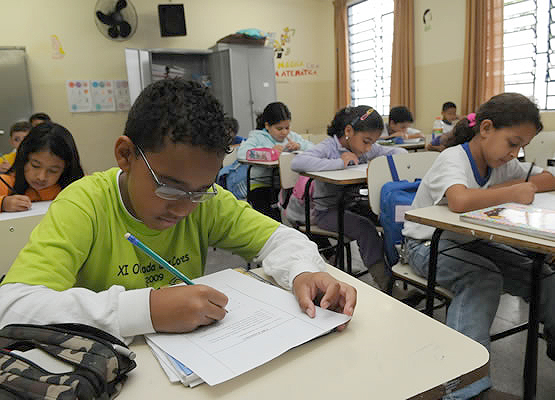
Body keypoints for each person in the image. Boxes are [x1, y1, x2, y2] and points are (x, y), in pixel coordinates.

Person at [0, 79, 356, 343]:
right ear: (125, 155)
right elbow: (13, 305)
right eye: (169, 186)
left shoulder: (205, 201)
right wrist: (147, 310)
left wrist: (302, 272)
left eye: (200, 191)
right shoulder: (84, 205)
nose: (184, 208)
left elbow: (280, 238)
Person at [402, 93, 555, 399]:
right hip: (425, 244)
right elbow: (460, 200)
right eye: (512, 143)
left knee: (545, 274)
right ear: (485, 128)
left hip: (472, 242)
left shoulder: (504, 163)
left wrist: (511, 187)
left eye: (522, 147)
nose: (516, 154)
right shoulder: (453, 158)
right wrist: (511, 191)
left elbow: (549, 178)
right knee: (482, 278)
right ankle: (463, 388)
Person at [291, 106, 408, 290]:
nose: (369, 148)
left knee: (388, 217)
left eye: (373, 143)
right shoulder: (329, 146)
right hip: (326, 211)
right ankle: (386, 284)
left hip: (352, 205)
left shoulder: (367, 149)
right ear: (348, 131)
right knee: (366, 229)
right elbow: (297, 162)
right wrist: (339, 163)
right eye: (366, 141)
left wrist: (377, 162)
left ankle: (396, 272)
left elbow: (400, 154)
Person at [237, 102, 313, 219]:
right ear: (267, 126)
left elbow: (314, 149)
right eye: (279, 128)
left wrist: (299, 146)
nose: (284, 132)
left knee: (302, 202)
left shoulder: (292, 137)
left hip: (285, 186)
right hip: (261, 185)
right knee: (270, 217)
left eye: (287, 128)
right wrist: (268, 151)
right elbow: (242, 154)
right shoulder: (258, 137)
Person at [0, 121, 84, 212]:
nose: (41, 177)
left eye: (53, 170)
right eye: (35, 166)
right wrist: (3, 203)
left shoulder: (76, 186)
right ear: (24, 159)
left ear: (66, 169)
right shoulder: (6, 183)